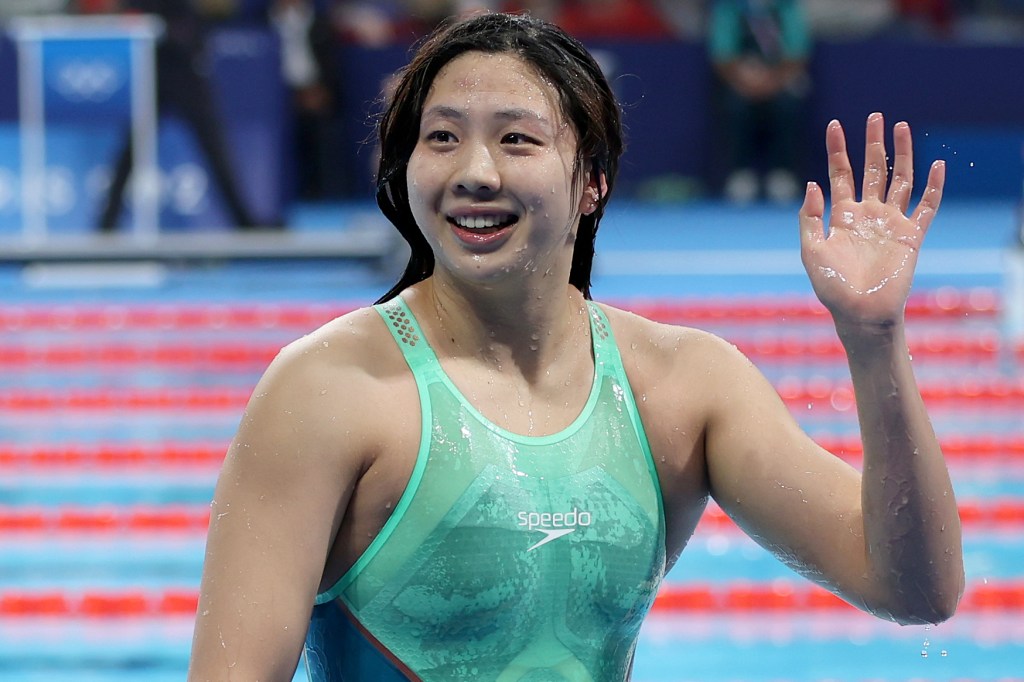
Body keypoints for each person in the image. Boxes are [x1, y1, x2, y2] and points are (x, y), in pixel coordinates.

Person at [187, 12, 964, 681]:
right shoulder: (331, 390)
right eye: (443, 138)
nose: (474, 172)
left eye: (517, 140)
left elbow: (917, 591)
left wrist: (874, 341)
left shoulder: (681, 388)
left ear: (591, 180)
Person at [708, 0, 812, 204]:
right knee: (736, 106)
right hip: (740, 82)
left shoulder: (787, 7)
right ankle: (741, 172)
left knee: (787, 105)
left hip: (781, 81)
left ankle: (782, 173)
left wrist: (772, 82)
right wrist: (744, 81)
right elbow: (722, 53)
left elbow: (798, 51)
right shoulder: (730, 8)